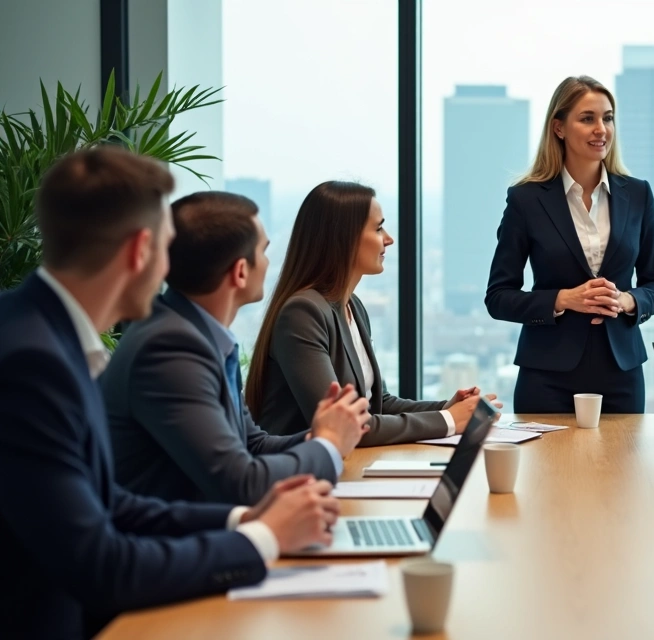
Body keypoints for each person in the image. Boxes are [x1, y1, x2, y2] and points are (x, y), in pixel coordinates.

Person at [0, 147, 340, 638]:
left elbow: (109, 502)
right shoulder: (34, 363)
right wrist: (263, 538)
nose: (170, 269)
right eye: (166, 246)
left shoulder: (42, 333)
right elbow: (102, 566)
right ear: (140, 251)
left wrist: (245, 517)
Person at [103, 191, 371, 505]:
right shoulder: (170, 349)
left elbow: (251, 444)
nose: (269, 262)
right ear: (240, 271)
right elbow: (241, 482)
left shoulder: (196, 334)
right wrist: (326, 445)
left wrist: (324, 434)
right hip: (179, 541)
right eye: (264, 251)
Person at [246, 181, 498, 443]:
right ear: (344, 238)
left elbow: (379, 404)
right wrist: (449, 420)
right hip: (301, 473)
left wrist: (447, 407)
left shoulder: (353, 306)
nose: (389, 239)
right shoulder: (303, 313)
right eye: (378, 229)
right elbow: (346, 425)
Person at [485, 75, 654, 413]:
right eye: (588, 119)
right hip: (546, 374)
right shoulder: (526, 200)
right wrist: (564, 299)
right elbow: (498, 297)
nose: (601, 129)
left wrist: (627, 300)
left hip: (622, 373)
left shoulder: (638, 194)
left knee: (623, 467)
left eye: (608, 118)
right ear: (559, 128)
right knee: (550, 467)